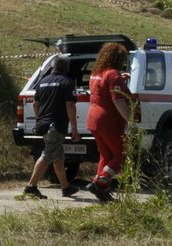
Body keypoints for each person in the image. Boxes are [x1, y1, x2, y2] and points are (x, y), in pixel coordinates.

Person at [86, 41, 139, 200]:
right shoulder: (113, 74)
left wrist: (120, 80)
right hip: (108, 121)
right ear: (118, 59)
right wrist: (131, 120)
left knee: (106, 155)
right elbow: (118, 101)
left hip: (93, 119)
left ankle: (101, 190)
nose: (124, 63)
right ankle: (100, 182)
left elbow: (104, 89)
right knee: (122, 155)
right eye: (123, 60)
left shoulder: (96, 73)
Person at [24, 55, 81, 198]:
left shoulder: (43, 82)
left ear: (54, 66)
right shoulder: (67, 82)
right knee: (48, 155)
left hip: (44, 125)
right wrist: (74, 128)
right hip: (56, 126)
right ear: (67, 67)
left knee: (58, 157)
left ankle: (66, 187)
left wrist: (40, 119)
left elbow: (35, 104)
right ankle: (31, 186)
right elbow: (70, 105)